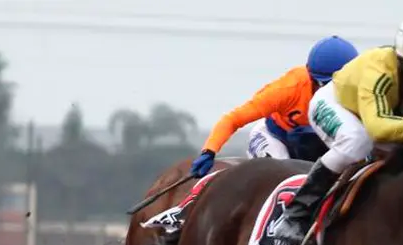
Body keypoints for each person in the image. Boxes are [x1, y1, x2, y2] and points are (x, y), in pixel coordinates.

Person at [269, 10, 403, 245]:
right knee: (356, 142)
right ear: (401, 64)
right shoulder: (379, 71)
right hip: (337, 104)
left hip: (384, 116)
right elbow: (378, 129)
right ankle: (296, 215)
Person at [147, 35, 359, 231]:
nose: (332, 93)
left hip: (319, 144)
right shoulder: (287, 89)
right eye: (326, 85)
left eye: (340, 85)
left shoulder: (361, 90)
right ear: (311, 78)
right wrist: (209, 151)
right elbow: (233, 119)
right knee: (286, 179)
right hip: (276, 139)